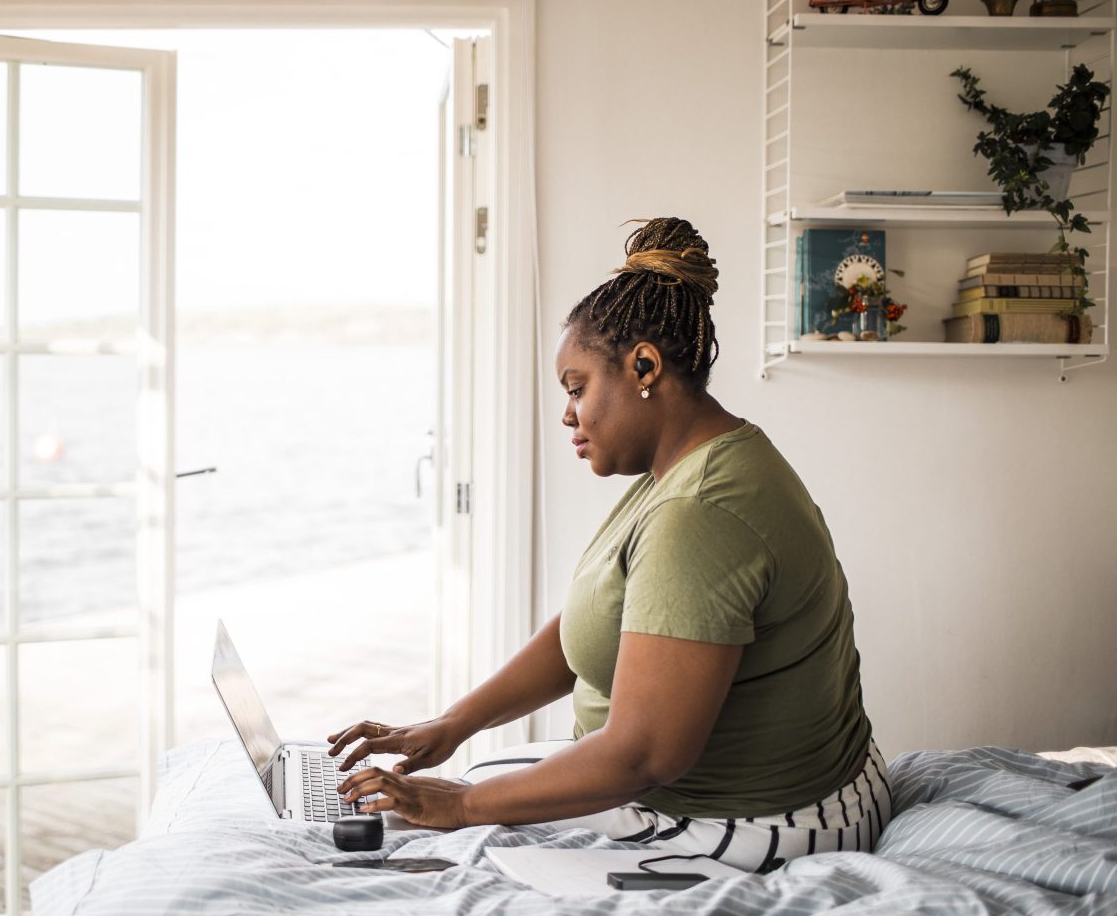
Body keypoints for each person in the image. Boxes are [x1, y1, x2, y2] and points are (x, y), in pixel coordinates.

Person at [329, 217, 888, 871]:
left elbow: (643, 756)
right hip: (723, 798)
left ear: (644, 366)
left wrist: (462, 808)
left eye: (577, 389)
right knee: (466, 781)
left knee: (429, 830)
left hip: (750, 825)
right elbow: (599, 625)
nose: (567, 414)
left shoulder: (698, 513)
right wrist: (454, 725)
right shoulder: (696, 464)